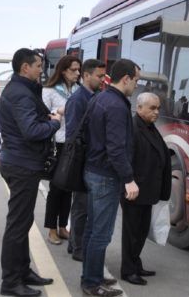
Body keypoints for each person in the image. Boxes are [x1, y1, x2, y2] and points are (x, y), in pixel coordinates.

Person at [0, 48, 61, 297]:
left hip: (20, 162)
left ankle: (23, 271)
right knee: (18, 224)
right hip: (22, 164)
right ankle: (11, 281)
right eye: (37, 66)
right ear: (25, 67)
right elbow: (32, 131)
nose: (40, 70)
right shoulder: (21, 94)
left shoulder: (20, 90)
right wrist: (55, 122)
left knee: (22, 221)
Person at [81, 59, 140, 297]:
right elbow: (116, 148)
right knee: (101, 233)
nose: (137, 85)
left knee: (91, 229)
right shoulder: (116, 105)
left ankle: (90, 275)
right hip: (106, 175)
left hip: (93, 170)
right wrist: (129, 179)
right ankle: (92, 283)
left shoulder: (99, 98)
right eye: (136, 80)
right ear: (125, 78)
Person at [120, 92, 171, 286]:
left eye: (158, 108)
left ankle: (135, 263)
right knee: (132, 233)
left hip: (148, 190)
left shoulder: (150, 127)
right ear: (139, 108)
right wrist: (129, 183)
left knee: (141, 232)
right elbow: (127, 159)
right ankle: (128, 270)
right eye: (152, 108)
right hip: (136, 190)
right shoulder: (133, 128)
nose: (156, 112)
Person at [64, 59, 106, 262]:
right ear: (86, 76)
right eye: (99, 76)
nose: (102, 80)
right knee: (81, 206)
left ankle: (75, 243)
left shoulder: (97, 96)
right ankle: (78, 246)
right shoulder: (77, 99)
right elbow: (72, 132)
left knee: (86, 206)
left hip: (92, 159)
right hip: (81, 160)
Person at [42, 55, 81, 246]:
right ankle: (51, 229)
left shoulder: (78, 90)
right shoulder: (49, 90)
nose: (77, 73)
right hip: (57, 143)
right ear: (63, 70)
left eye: (79, 70)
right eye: (73, 70)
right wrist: (59, 112)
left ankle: (63, 226)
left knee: (68, 187)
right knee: (56, 188)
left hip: (73, 143)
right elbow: (43, 115)